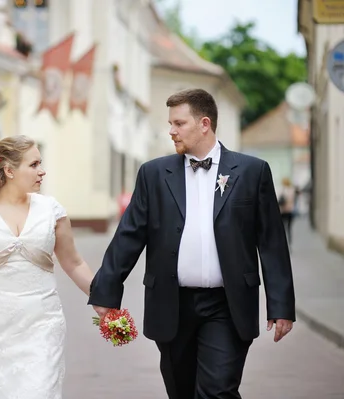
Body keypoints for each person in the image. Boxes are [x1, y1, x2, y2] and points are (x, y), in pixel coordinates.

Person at [88, 88, 296, 399]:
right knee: (181, 391)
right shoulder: (154, 174)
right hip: (172, 304)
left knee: (217, 391)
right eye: (170, 123)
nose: (171, 131)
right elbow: (129, 235)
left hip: (228, 305)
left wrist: (281, 305)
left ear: (204, 123)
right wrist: (106, 290)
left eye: (179, 123)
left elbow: (271, 242)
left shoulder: (252, 172)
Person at [0, 135, 94, 399]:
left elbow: (74, 262)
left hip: (42, 324)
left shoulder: (51, 210)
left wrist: (104, 300)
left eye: (41, 163)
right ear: (9, 171)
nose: (42, 171)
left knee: (38, 390)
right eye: (34, 165)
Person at [278, 177, 297, 245]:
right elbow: (294, 200)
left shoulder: (282, 189)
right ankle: (289, 242)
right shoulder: (292, 190)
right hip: (290, 210)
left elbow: (279, 199)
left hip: (282, 211)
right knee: (289, 227)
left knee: (282, 228)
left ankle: (283, 242)